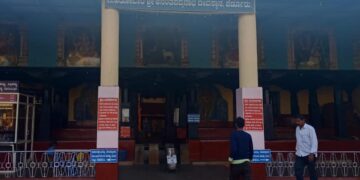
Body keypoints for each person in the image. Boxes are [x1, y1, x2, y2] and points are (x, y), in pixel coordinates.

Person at [294, 115, 318, 180]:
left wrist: (312, 153)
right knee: (297, 171)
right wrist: (296, 151)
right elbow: (298, 141)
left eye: (299, 121)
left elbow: (314, 141)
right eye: (296, 121)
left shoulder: (310, 129)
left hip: (309, 154)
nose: (297, 123)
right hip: (300, 154)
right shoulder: (297, 129)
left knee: (312, 172)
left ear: (303, 120)